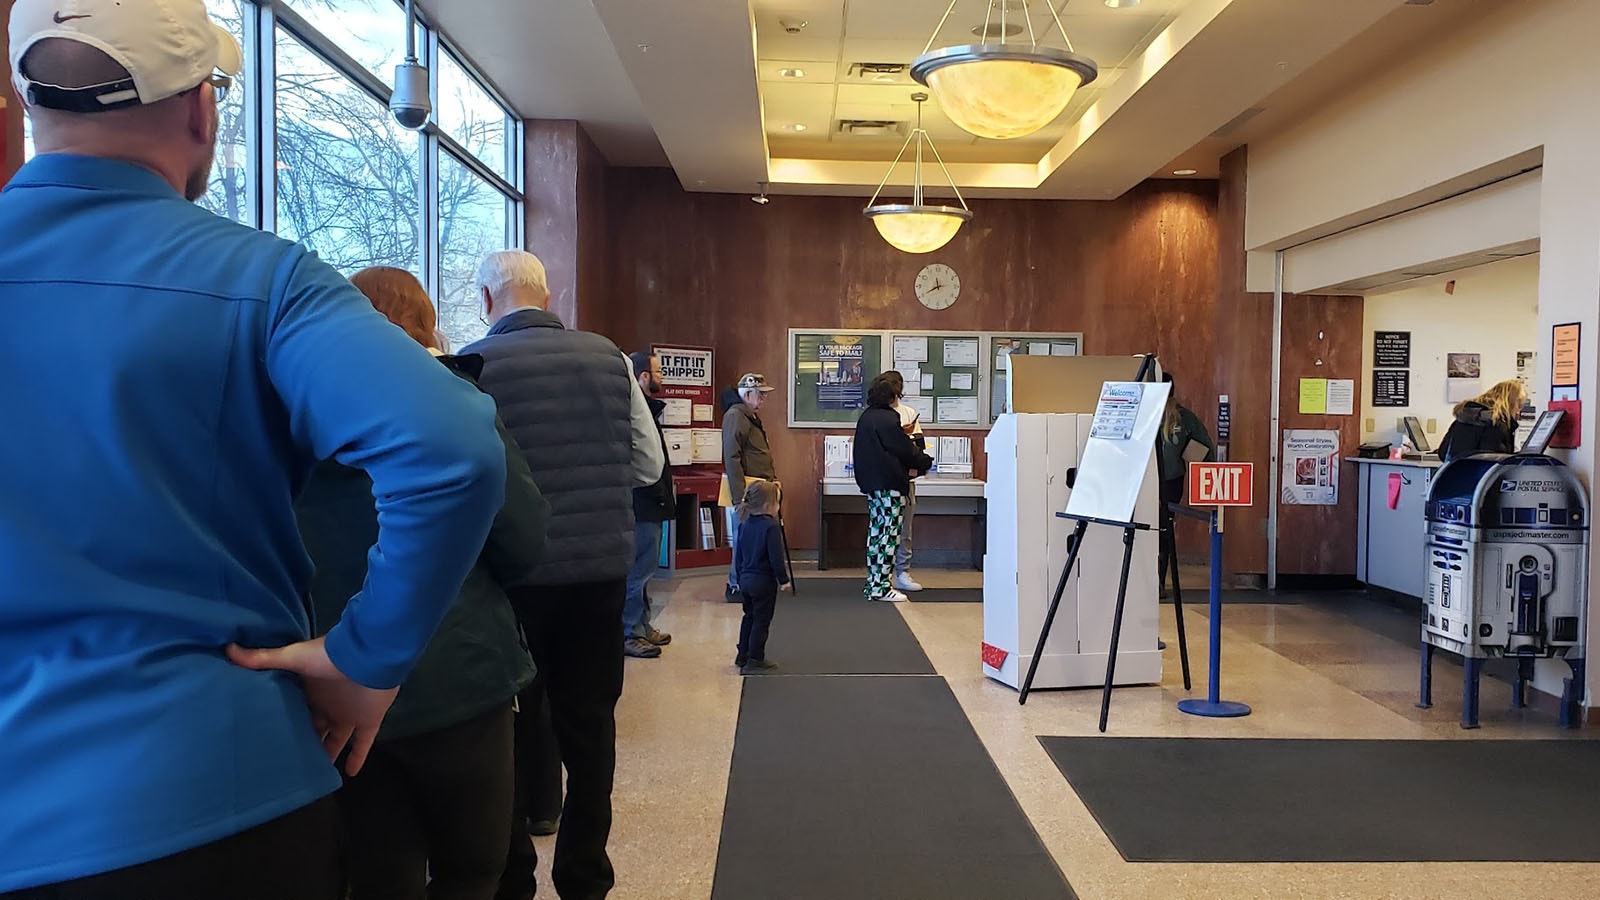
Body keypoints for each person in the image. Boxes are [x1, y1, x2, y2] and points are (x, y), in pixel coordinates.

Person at [0, 3, 508, 897]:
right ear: (202, 109)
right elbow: (452, 447)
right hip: (212, 787)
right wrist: (365, 660)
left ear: (27, 103)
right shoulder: (262, 280)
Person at [295, 267, 550, 900]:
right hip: (460, 674)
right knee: (474, 868)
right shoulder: (457, 407)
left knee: (378, 876)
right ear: (426, 325)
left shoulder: (293, 418)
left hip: (338, 676)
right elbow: (524, 541)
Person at [464, 250, 663, 900]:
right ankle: (584, 875)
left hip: (510, 579)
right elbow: (648, 465)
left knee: (512, 730)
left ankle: (513, 876)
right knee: (591, 725)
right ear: (547, 298)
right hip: (597, 573)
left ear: (487, 300)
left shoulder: (471, 365)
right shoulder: (609, 358)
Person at [853, 372, 935, 603]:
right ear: (893, 395)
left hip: (872, 485)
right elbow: (906, 451)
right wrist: (925, 462)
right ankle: (882, 588)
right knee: (889, 537)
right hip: (890, 485)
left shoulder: (867, 417)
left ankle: (873, 583)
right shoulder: (889, 419)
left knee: (876, 535)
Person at [624, 350, 677, 659]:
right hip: (642, 502)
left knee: (645, 570)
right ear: (643, 376)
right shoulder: (635, 412)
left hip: (650, 502)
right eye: (658, 372)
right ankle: (631, 632)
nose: (662, 377)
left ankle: (643, 625)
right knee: (638, 571)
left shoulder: (646, 410)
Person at [721, 373, 779, 602]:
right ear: (746, 395)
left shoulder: (748, 416)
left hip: (756, 489)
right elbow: (732, 457)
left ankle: (742, 583)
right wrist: (739, 499)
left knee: (748, 538)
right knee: (742, 539)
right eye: (760, 395)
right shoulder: (736, 416)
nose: (763, 399)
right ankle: (736, 585)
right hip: (746, 492)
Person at [733, 480, 792, 674]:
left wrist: (739, 578)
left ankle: (742, 654)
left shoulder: (744, 524)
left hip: (745, 579)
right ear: (768, 506)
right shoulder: (771, 527)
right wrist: (783, 580)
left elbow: (738, 556)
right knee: (761, 620)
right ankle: (756, 658)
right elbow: (776, 557)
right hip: (763, 582)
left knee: (748, 617)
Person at [1157, 374, 1217, 505]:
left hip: (1166, 482)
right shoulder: (1181, 417)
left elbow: (1204, 447)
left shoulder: (1182, 417)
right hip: (1161, 480)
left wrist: (1210, 477)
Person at [1439, 379, 1525, 461]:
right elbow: (1497, 462)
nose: (1518, 412)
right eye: (1519, 405)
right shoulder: (1496, 424)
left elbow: (1442, 453)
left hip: (1455, 471)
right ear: (1512, 403)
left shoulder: (1462, 419)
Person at [893, 395, 928, 593]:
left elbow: (918, 446)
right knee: (883, 530)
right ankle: (880, 574)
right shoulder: (877, 416)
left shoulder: (908, 413)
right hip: (885, 478)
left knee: (905, 530)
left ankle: (902, 572)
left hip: (906, 480)